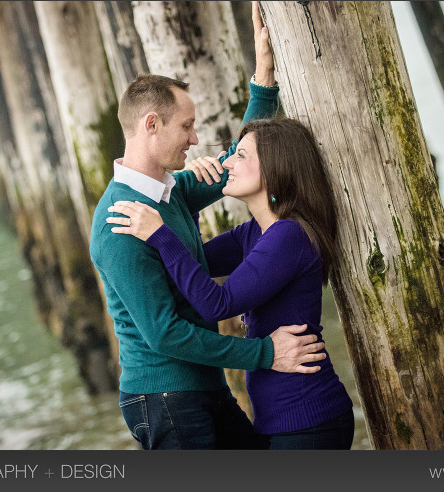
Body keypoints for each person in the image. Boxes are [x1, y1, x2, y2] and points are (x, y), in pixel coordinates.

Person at [89, 2, 327, 450]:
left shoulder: (170, 190)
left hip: (203, 386)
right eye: (187, 126)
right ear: (151, 125)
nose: (196, 139)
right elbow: (164, 333)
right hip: (164, 396)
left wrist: (263, 74)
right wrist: (266, 353)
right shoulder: (120, 221)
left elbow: (242, 161)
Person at [107, 117, 355, 449]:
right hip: (282, 420)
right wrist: (183, 208)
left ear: (273, 168)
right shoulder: (256, 232)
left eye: (240, 155)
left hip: (308, 419)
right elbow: (195, 265)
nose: (227, 163)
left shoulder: (288, 236)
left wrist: (160, 234)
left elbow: (216, 304)